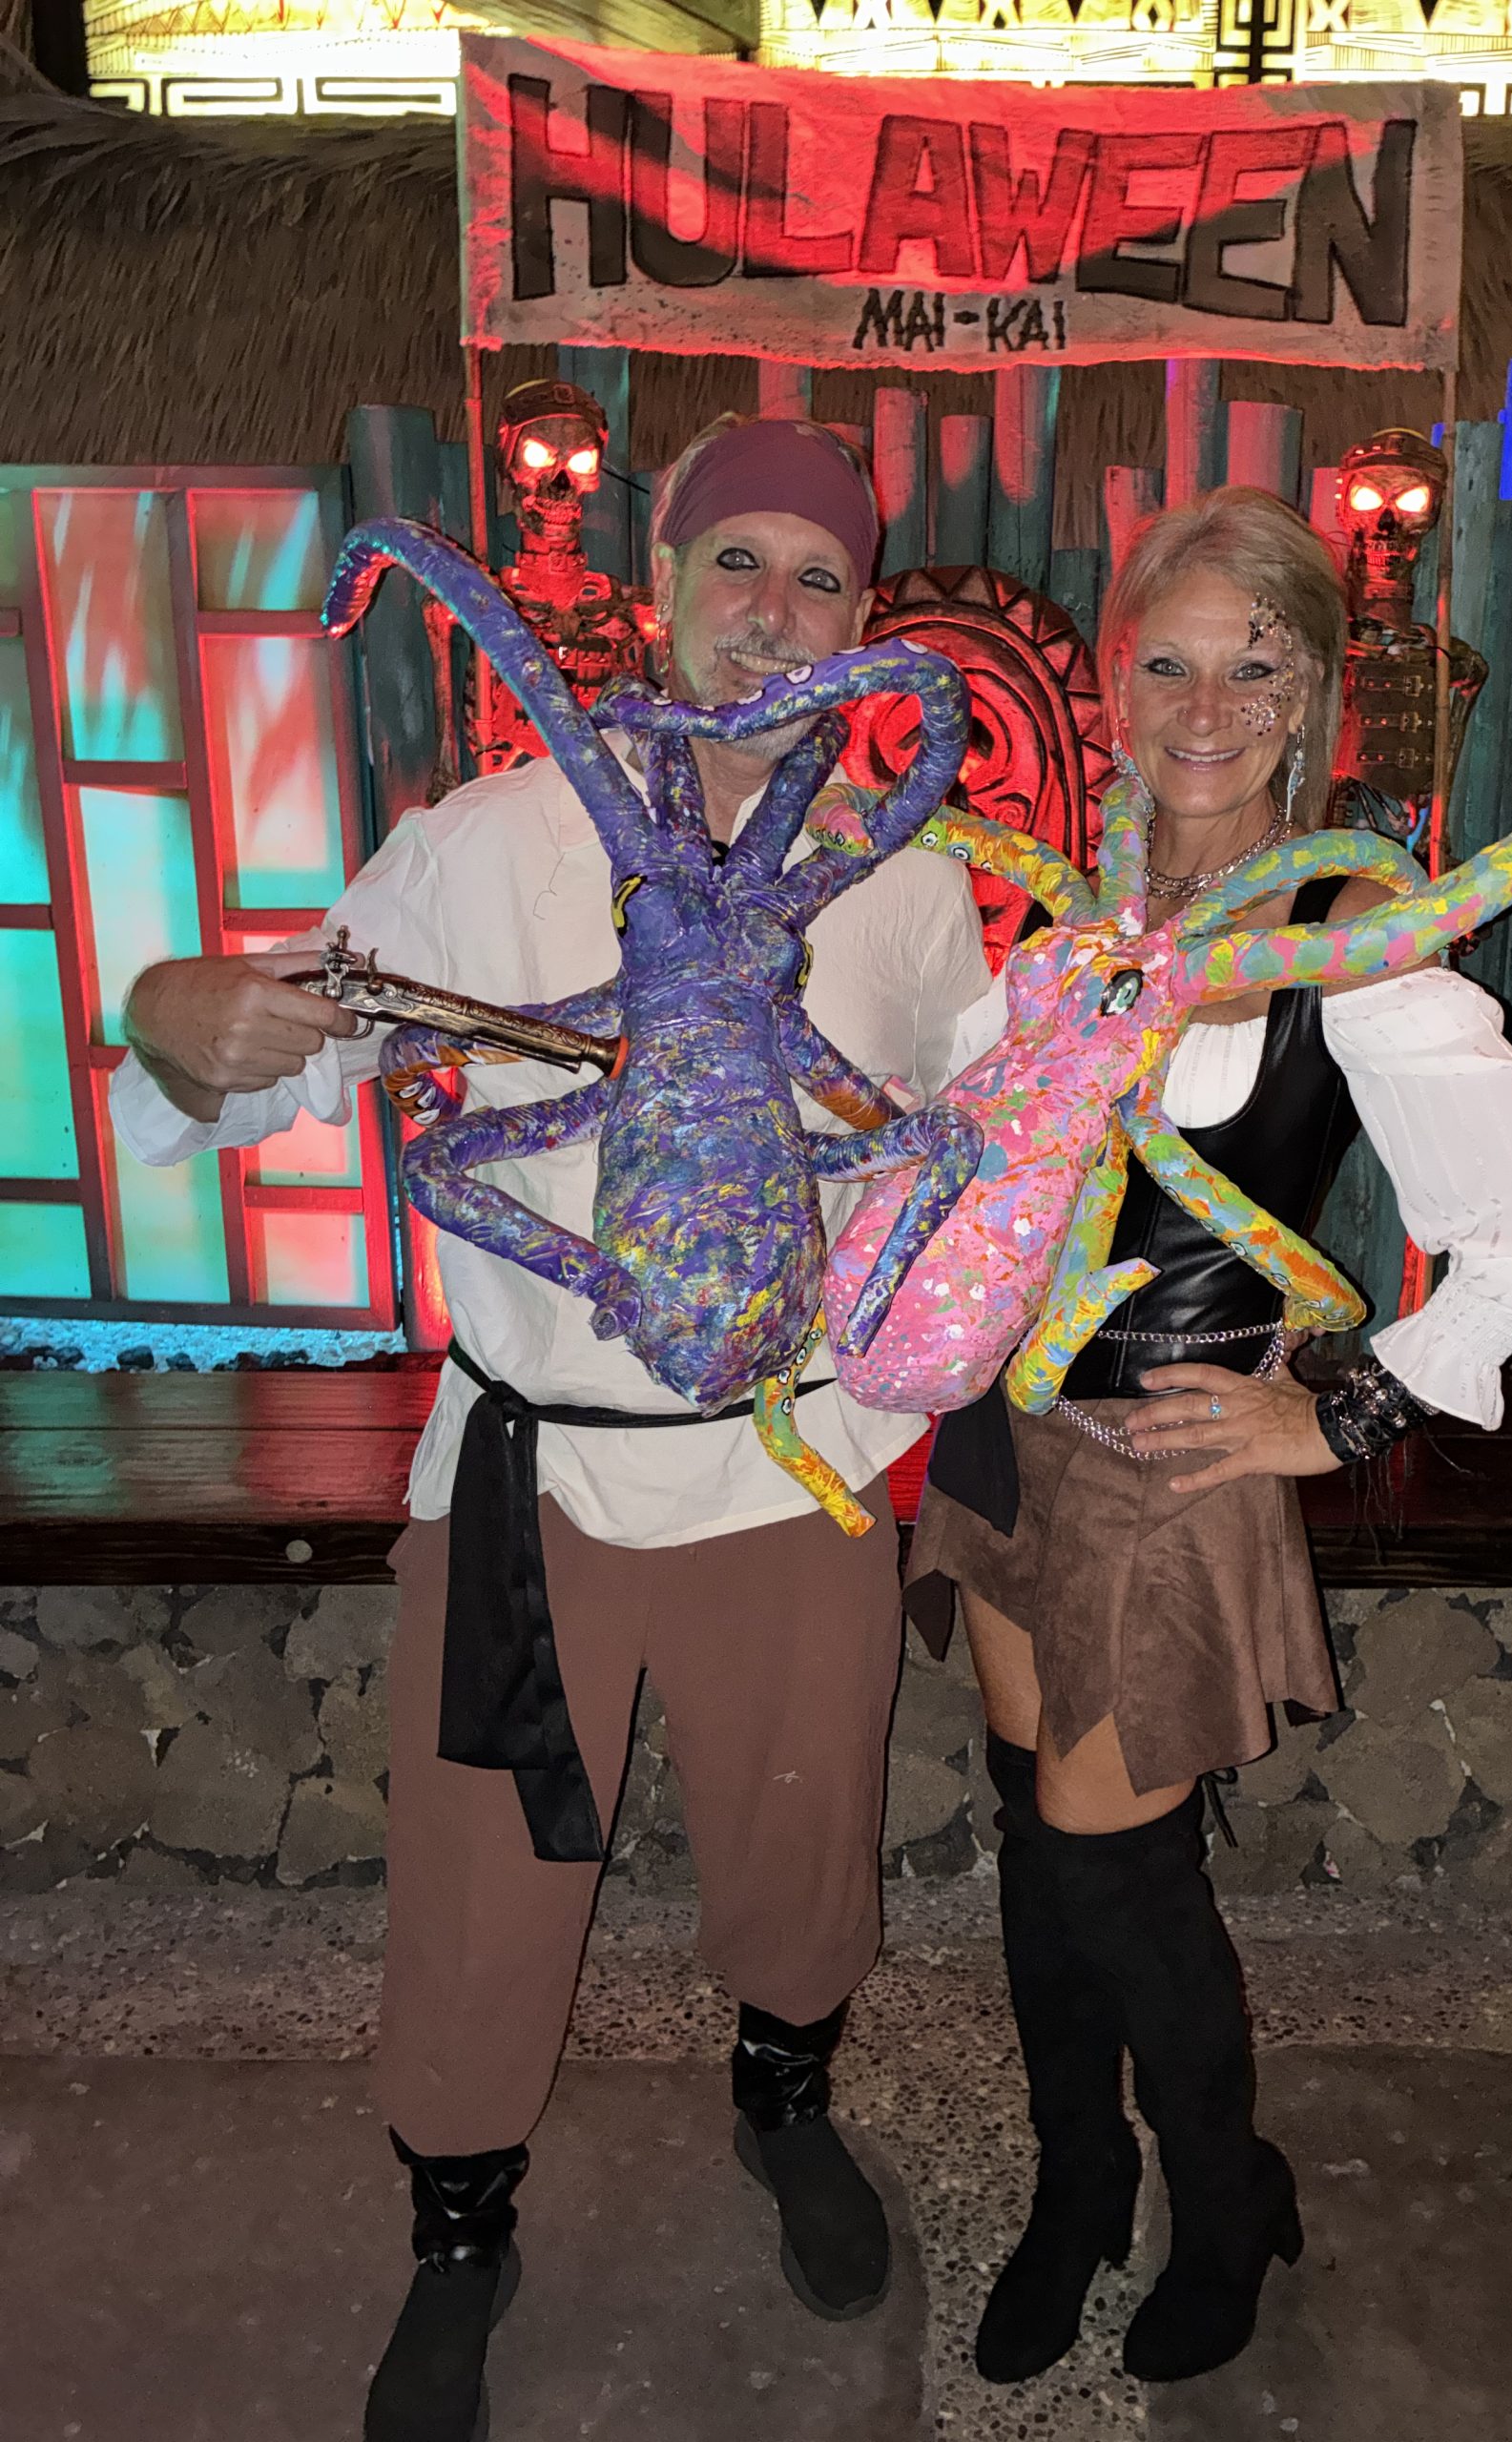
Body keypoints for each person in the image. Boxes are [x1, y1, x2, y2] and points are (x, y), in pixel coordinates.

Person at [112, 413, 990, 2442]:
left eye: (820, 577)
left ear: (863, 623)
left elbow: (965, 1138)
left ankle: (788, 2101)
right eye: (735, 560)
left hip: (795, 1451)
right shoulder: (484, 843)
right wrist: (178, 1011)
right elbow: (271, 1059)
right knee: (482, 1870)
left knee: (801, 1826)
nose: (772, 607)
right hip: (535, 1466)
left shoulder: (912, 883)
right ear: (661, 590)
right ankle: (457, 2231)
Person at [906, 487, 1512, 2389]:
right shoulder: (1062, 915)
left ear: (1305, 697)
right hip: (998, 1435)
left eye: (1256, 665)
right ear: (1114, 681)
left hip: (1168, 1453)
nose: (1207, 705)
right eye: (1171, 661)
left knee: (1113, 1864)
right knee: (1037, 1833)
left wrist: (1348, 1405)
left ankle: (1227, 2203)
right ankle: (1077, 2188)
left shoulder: (1348, 927)